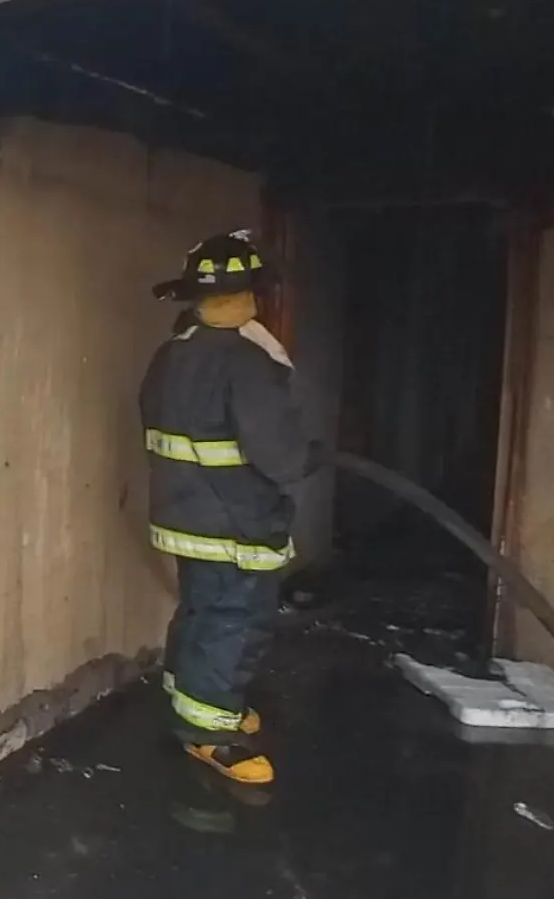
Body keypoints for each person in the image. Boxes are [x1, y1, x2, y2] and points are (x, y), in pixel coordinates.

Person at [141, 230, 320, 785]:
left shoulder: (171, 355)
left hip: (184, 517)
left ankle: (193, 697)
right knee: (234, 622)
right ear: (253, 295)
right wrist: (310, 457)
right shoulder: (248, 363)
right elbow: (277, 454)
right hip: (235, 524)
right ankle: (211, 733)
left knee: (201, 610)